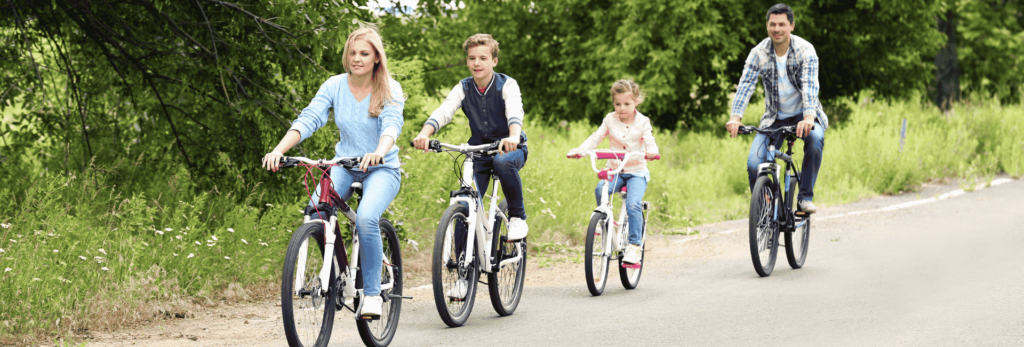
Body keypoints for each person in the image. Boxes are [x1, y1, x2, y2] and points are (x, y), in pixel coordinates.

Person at [262, 27, 404, 318]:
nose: (357, 58)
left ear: (377, 57)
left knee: (365, 218)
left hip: (381, 168)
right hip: (345, 164)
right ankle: (337, 270)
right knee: (316, 211)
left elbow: (392, 125)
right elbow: (310, 117)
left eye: (364, 53)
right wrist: (279, 150)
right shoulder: (334, 85)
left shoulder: (389, 87)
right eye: (352, 53)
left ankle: (373, 294)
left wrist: (379, 149)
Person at [411, 33, 528, 299]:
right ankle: (463, 276)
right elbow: (444, 111)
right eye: (472, 59)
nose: (477, 63)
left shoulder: (507, 85)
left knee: (502, 161)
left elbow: (515, 111)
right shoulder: (463, 87)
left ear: (494, 60)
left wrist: (512, 135)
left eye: (483, 58)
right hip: (477, 151)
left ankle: (517, 217)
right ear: (467, 61)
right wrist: (424, 134)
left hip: (509, 149)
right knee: (464, 204)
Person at [725, 3, 828, 213]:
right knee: (755, 164)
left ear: (792, 26)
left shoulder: (805, 50)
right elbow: (745, 85)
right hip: (775, 119)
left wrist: (809, 117)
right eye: (772, 24)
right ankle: (765, 211)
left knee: (816, 139)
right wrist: (735, 117)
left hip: (804, 115)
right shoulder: (758, 52)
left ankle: (804, 197)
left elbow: (810, 86)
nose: (777, 29)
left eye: (782, 24)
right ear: (767, 26)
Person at [568, 79, 659, 264]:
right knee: (600, 188)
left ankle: (634, 246)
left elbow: (649, 139)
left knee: (633, 204)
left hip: (636, 172)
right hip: (615, 170)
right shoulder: (610, 119)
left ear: (636, 102)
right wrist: (581, 150)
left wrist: (652, 151)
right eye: (618, 104)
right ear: (613, 103)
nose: (622, 108)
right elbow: (597, 137)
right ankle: (604, 222)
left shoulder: (643, 122)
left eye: (627, 103)